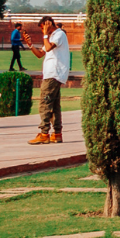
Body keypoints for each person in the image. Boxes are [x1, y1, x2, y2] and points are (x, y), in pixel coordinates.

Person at [34, 16, 69, 144]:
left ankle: (44, 133)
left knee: (45, 104)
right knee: (54, 105)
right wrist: (30, 45)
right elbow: (40, 54)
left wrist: (45, 35)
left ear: (48, 24)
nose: (43, 31)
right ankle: (57, 133)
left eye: (43, 28)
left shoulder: (58, 34)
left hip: (53, 74)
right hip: (52, 74)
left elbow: (48, 48)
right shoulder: (52, 36)